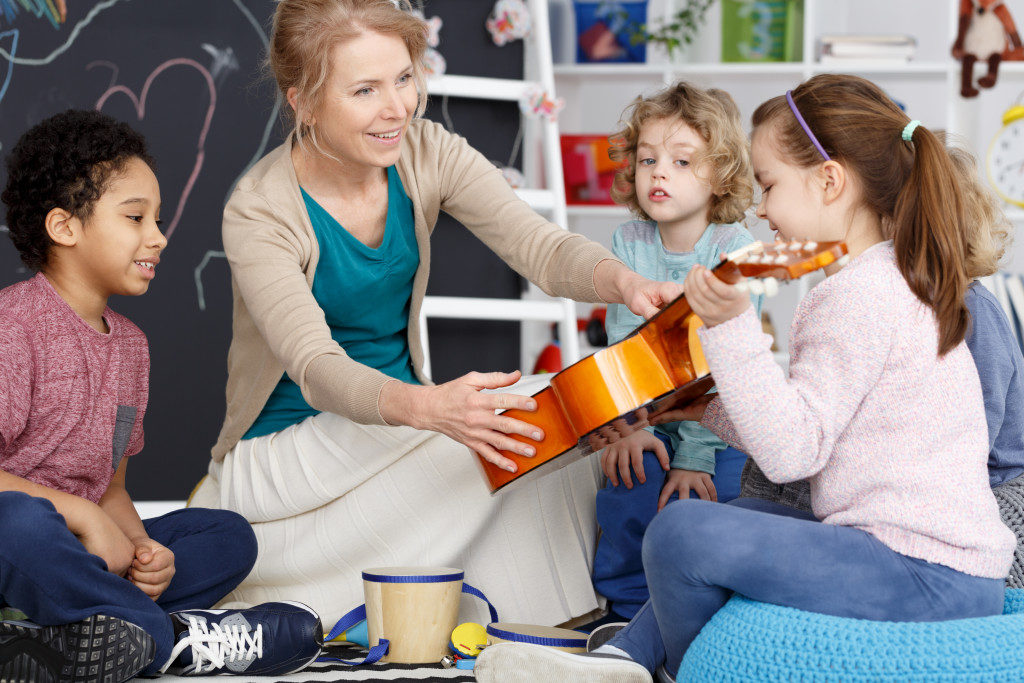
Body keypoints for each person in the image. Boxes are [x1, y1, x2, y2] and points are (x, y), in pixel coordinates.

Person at [474, 74, 1016, 683]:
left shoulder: (856, 296)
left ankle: (691, 669)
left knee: (680, 533)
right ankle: (622, 660)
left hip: (920, 575)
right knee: (746, 518)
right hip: (937, 569)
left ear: (829, 180)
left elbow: (790, 455)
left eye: (769, 185)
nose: (760, 209)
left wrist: (729, 325)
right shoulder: (895, 280)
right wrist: (704, 410)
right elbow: (815, 432)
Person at [187, 0, 682, 629]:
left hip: (397, 434)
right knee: (534, 411)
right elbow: (315, 366)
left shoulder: (426, 152)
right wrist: (433, 409)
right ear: (304, 103)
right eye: (365, 89)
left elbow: (541, 246)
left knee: (565, 423)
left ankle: (556, 622)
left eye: (403, 77)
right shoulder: (260, 210)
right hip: (285, 451)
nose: (397, 106)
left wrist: (629, 283)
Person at [0, 110, 322, 682]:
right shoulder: (14, 325)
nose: (159, 236)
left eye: (158, 218)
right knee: (20, 525)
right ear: (64, 227)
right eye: (135, 218)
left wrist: (144, 550)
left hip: (84, 555)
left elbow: (113, 487)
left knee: (226, 537)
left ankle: (59, 635)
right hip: (22, 546)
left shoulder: (131, 349)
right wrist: (79, 516)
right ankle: (169, 637)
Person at [739, 142, 1024, 585]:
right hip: (915, 480)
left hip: (988, 488)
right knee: (774, 477)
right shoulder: (889, 295)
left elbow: (966, 444)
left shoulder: (971, 310)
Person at [591, 81, 759, 622]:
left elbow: (720, 367)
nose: (658, 172)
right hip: (648, 411)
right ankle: (626, 615)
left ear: (721, 177)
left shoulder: (732, 249)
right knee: (625, 485)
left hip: (715, 417)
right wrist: (632, 427)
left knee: (717, 501)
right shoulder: (630, 243)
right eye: (647, 160)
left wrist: (692, 457)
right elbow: (624, 347)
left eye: (682, 162)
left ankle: (712, 615)